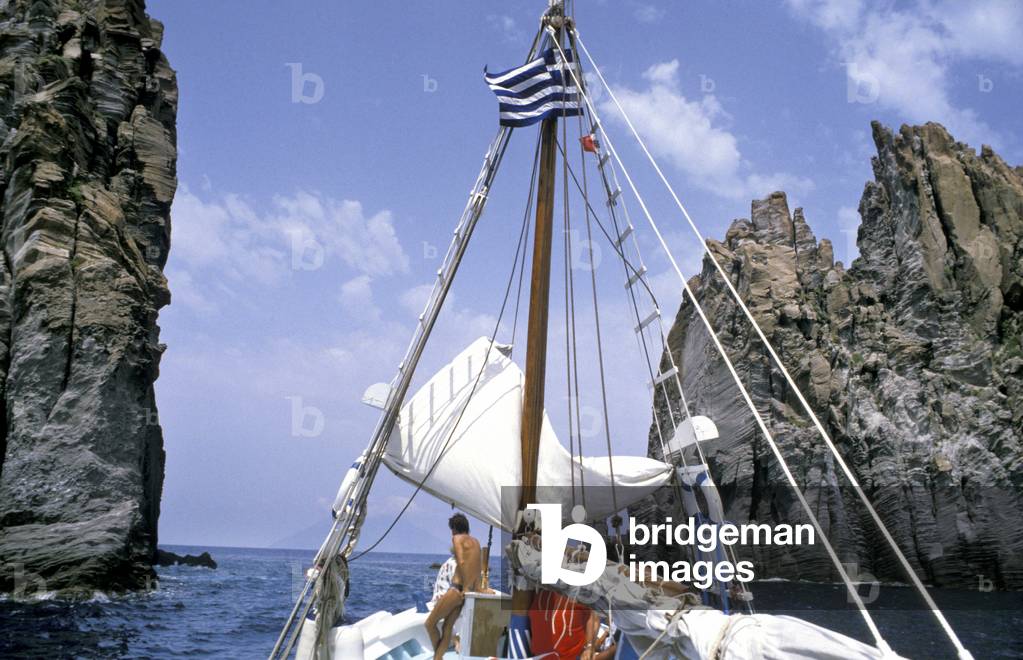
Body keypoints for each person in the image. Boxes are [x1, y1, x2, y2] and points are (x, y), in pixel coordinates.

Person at [425, 513, 481, 660]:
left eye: (452, 529)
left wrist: (466, 587)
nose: (451, 533)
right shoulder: (476, 542)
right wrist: (477, 588)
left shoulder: (457, 538)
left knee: (429, 624)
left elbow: (461, 562)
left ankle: (437, 658)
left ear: (454, 528)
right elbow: (477, 568)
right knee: (447, 628)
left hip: (456, 590)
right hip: (464, 596)